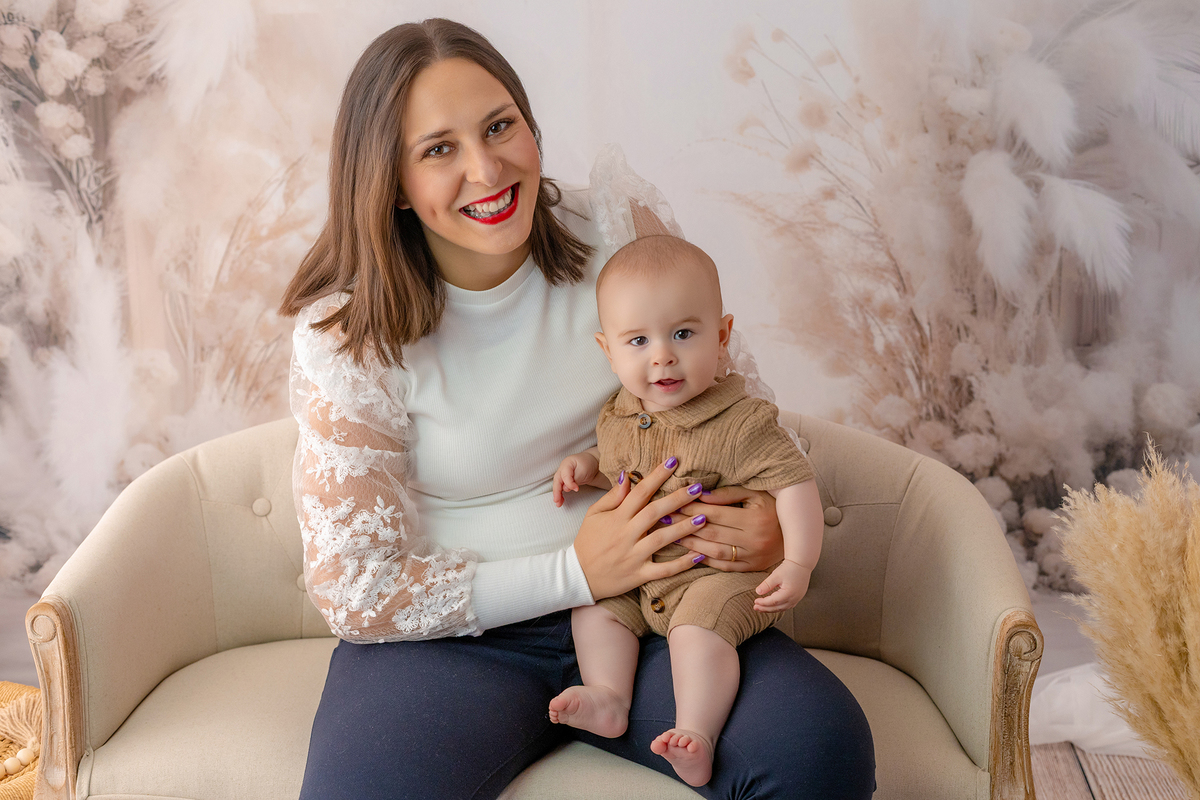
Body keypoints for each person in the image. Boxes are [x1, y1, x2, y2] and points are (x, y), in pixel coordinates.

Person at [279, 17, 875, 800]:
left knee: (817, 747)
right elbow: (353, 585)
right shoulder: (348, 336)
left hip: (659, 605)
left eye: (500, 127)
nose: (487, 169)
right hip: (457, 642)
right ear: (391, 181)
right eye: (439, 149)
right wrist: (576, 569)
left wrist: (763, 522)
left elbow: (737, 412)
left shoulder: (618, 233)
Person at [547, 235, 824, 787]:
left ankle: (696, 733)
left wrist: (798, 563)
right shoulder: (619, 413)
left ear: (721, 336)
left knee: (697, 633)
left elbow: (795, 484)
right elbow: (623, 465)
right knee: (592, 606)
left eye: (682, 333)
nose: (662, 356)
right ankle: (608, 696)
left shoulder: (743, 422)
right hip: (639, 579)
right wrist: (587, 464)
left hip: (717, 579)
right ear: (609, 351)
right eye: (638, 340)